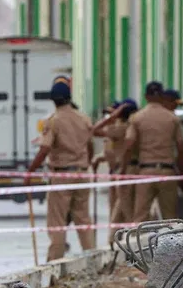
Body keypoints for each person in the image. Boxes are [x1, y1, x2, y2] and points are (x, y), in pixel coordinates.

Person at [27, 77, 96, 262]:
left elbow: (45, 148)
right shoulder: (83, 118)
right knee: (83, 219)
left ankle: (54, 262)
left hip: (62, 176)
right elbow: (90, 146)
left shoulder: (54, 121)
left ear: (53, 100)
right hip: (82, 174)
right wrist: (86, 163)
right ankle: (92, 260)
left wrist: (30, 171)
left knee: (57, 222)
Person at [123, 85, 183, 222]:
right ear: (162, 96)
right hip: (167, 172)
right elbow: (181, 148)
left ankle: (137, 242)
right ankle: (172, 242)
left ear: (146, 97)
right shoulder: (172, 118)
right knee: (170, 218)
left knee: (140, 216)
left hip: (146, 171)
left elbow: (128, 144)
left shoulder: (137, 118)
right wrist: (181, 175)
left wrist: (123, 170)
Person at [93, 98, 138, 229]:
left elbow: (94, 130)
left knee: (125, 209)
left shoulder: (120, 128)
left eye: (114, 112)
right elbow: (110, 152)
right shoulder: (125, 127)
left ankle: (116, 238)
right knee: (119, 208)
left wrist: (110, 118)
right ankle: (114, 239)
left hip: (124, 170)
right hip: (123, 169)